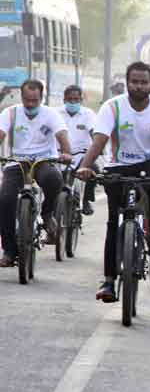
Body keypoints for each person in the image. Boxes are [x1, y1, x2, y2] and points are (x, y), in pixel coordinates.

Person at [75, 62, 150, 302]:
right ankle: (108, 281)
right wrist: (85, 166)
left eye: (143, 82)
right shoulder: (112, 107)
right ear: (127, 83)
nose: (138, 86)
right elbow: (99, 141)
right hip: (119, 164)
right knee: (113, 220)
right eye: (134, 82)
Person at [0, 80, 72, 266]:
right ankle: (9, 251)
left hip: (43, 160)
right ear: (22, 97)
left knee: (54, 179)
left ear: (42, 98)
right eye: (27, 100)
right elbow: (1, 134)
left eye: (35, 100)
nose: (30, 104)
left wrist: (66, 152)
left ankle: (47, 214)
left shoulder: (50, 114)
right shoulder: (11, 113)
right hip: (17, 162)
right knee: (5, 200)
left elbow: (62, 135)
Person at [58, 84, 98, 215]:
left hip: (82, 156)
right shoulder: (55, 113)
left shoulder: (88, 114)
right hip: (59, 156)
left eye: (76, 99)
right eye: (70, 99)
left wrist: (98, 146)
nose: (73, 102)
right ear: (64, 99)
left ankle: (86, 200)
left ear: (81, 100)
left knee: (94, 169)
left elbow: (95, 132)